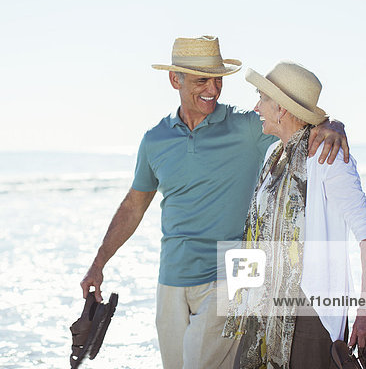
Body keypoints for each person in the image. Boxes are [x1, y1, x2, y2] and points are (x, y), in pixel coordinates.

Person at [80, 36, 350, 369]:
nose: (213, 88)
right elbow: (134, 205)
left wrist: (333, 124)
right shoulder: (155, 139)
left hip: (233, 272)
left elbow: (296, 120)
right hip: (172, 276)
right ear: (174, 79)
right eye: (202, 80)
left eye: (218, 79)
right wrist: (98, 264)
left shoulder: (247, 127)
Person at [223, 62, 366, 368]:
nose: (256, 106)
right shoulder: (273, 155)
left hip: (310, 311)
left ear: (281, 109)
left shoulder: (328, 157)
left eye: (262, 98)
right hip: (264, 308)